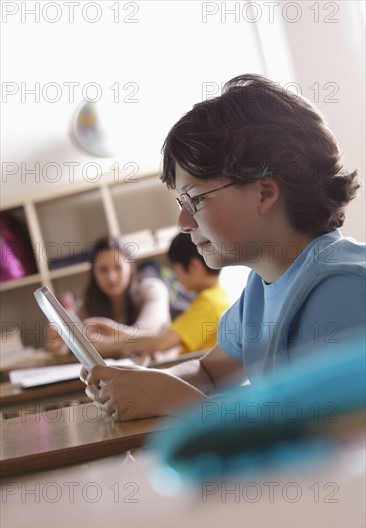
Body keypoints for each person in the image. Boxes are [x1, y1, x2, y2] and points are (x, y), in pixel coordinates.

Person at [81, 74, 365, 421]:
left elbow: (324, 439)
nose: (183, 222)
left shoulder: (342, 288)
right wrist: (146, 385)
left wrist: (179, 401)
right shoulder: (261, 289)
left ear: (264, 193)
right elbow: (210, 373)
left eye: (194, 199)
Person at [86, 232, 231, 358]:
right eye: (103, 270)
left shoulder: (208, 304)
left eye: (176, 269)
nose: (175, 276)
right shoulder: (217, 297)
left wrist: (103, 340)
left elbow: (158, 342)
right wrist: (114, 329)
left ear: (194, 267)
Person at [47, 236, 171, 358]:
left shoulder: (153, 289)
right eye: (103, 270)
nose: (111, 277)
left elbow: (151, 336)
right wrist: (58, 345)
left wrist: (112, 332)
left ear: (130, 268)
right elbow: (74, 348)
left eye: (118, 268)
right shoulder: (87, 305)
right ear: (93, 273)